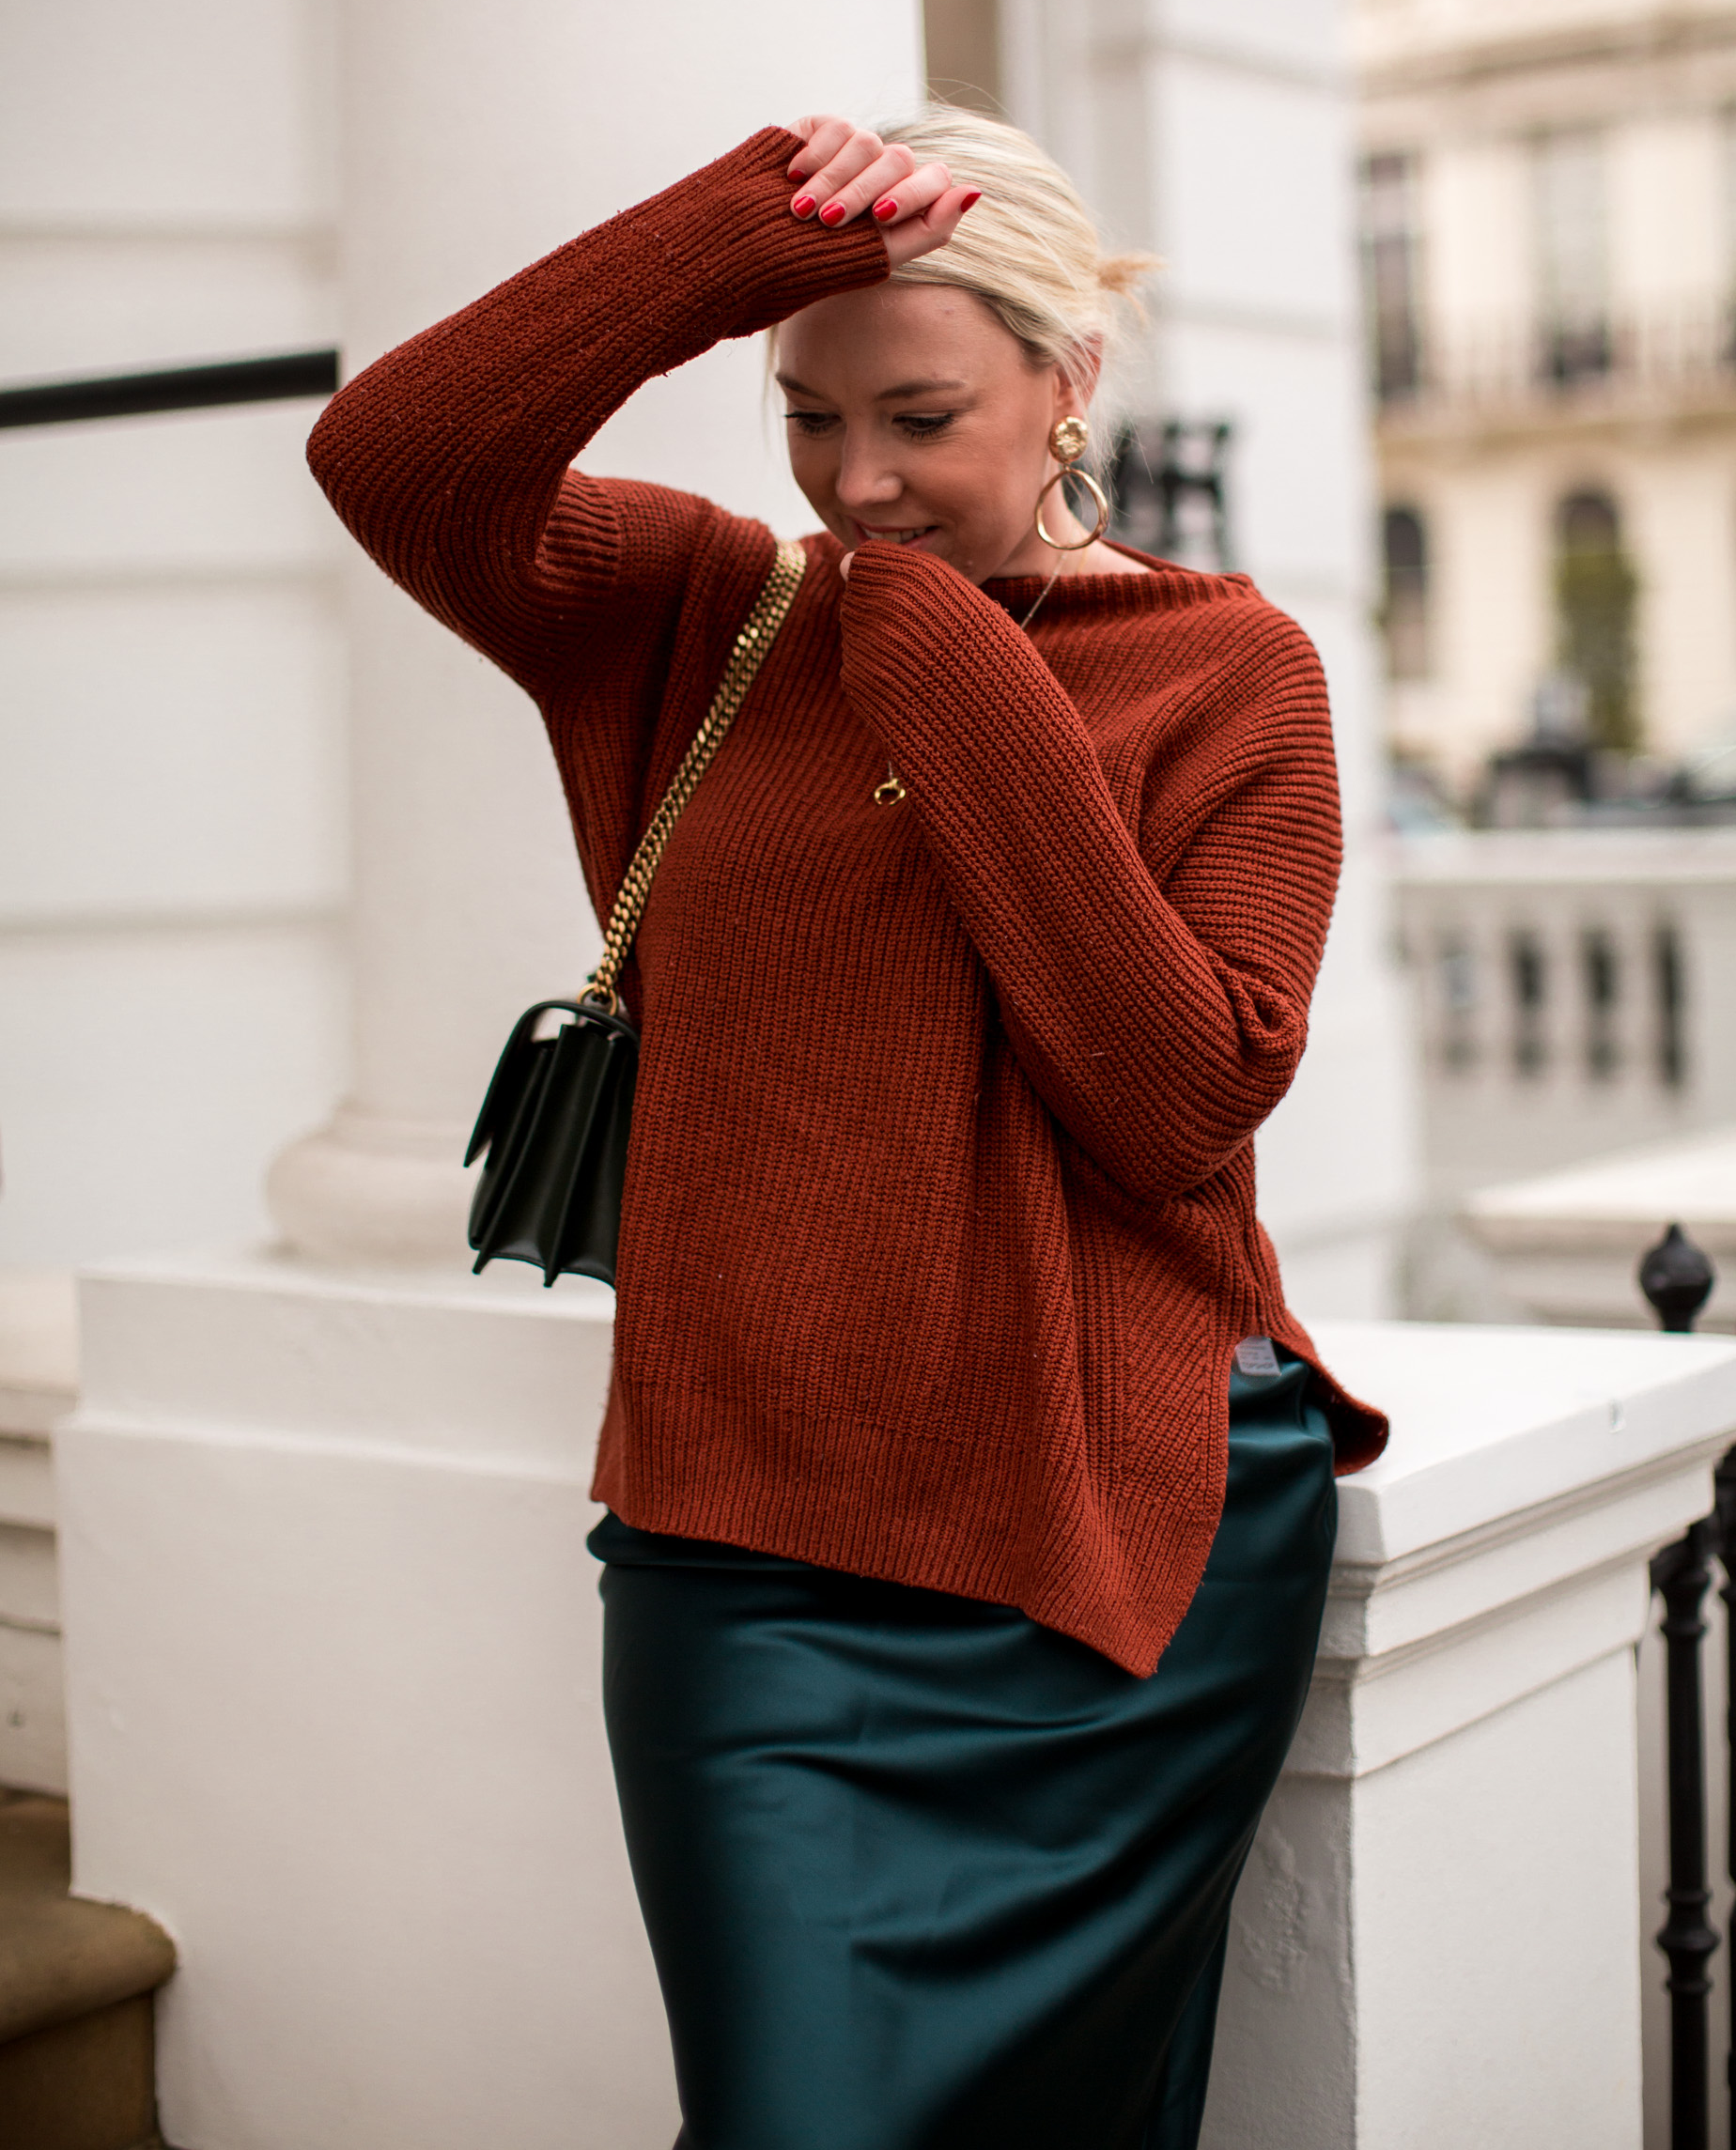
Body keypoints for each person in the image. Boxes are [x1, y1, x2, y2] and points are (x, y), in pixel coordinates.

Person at [308, 108, 1388, 2150]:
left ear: (1068, 381)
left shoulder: (1232, 671)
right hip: (750, 1557)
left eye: (922, 413)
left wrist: (957, 674)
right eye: (809, 413)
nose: (860, 480)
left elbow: (1172, 1106)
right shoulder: (693, 615)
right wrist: (731, 238)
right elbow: (398, 457)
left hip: (1109, 1549)